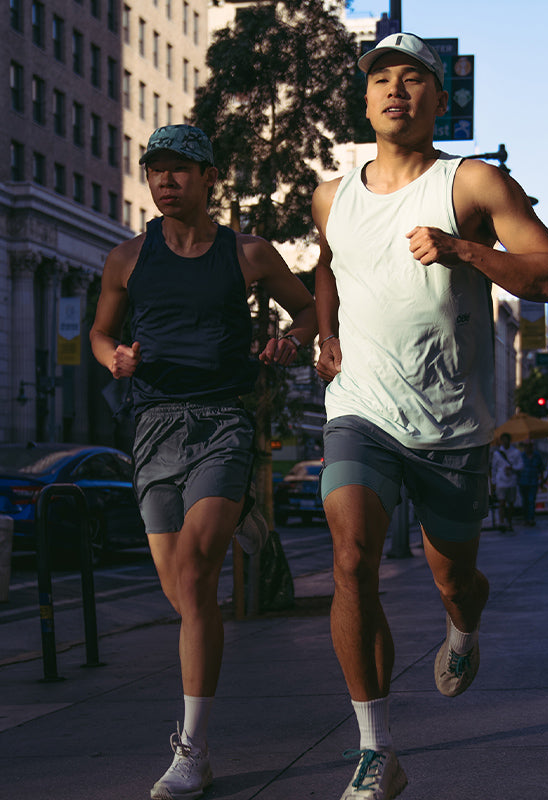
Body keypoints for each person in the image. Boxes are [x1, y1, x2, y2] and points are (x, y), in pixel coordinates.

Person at [312, 32, 548, 799]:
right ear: (365, 102)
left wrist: (465, 250)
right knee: (352, 558)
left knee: (452, 575)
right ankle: (376, 748)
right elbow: (330, 263)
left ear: (439, 97)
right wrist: (325, 332)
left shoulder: (473, 184)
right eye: (381, 80)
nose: (396, 90)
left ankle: (465, 623)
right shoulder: (333, 195)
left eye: (414, 79)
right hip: (359, 407)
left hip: (452, 425)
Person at [89, 123, 317, 800]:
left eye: (180, 169)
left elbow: (305, 311)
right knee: (183, 594)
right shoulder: (128, 257)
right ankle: (247, 515)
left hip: (223, 421)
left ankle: (193, 750)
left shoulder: (247, 252)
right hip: (154, 428)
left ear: (210, 177)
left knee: (194, 576)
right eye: (156, 170)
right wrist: (114, 358)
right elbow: (101, 331)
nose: (166, 180)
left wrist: (290, 342)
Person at [491, 432, 524, 531]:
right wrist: (493, 482)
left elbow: (521, 466)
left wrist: (512, 468)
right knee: (501, 503)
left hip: (512, 481)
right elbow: (493, 468)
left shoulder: (516, 452)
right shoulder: (497, 454)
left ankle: (509, 522)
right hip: (501, 481)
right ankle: (501, 522)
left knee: (511, 503)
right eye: (503, 440)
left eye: (506, 439)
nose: (505, 442)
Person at [518, 440, 545, 525]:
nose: (528, 448)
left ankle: (531, 518)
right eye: (527, 446)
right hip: (523, 481)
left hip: (533, 482)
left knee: (531, 500)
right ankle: (526, 518)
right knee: (525, 501)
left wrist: (542, 480)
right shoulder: (521, 456)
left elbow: (541, 468)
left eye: (530, 446)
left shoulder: (537, 456)